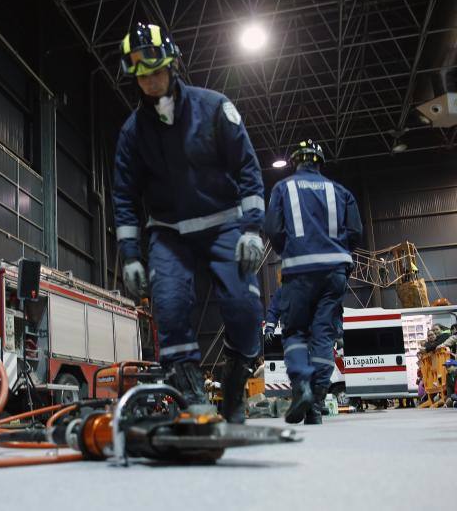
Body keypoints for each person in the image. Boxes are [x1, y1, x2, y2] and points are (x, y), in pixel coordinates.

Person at [113, 22, 265, 423]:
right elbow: (125, 198)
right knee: (171, 305)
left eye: (156, 71)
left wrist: (252, 229)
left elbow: (248, 170)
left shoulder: (214, 109)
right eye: (141, 75)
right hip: (169, 233)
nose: (150, 81)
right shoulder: (132, 135)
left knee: (244, 307)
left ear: (174, 64)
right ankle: (189, 390)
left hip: (225, 223)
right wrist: (130, 256)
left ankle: (236, 380)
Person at [266, 140, 362, 424]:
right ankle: (318, 398)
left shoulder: (283, 188)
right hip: (335, 273)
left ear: (296, 162)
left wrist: (292, 250)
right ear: (320, 162)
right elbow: (355, 231)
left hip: (299, 271)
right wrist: (338, 251)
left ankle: (302, 386)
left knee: (294, 331)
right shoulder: (341, 192)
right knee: (323, 335)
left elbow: (272, 228)